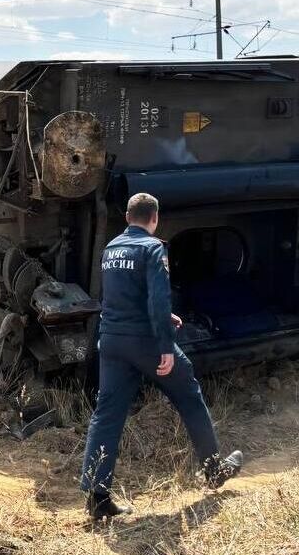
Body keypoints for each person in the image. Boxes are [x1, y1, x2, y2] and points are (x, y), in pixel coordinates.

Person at [81, 193, 243, 520]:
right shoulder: (153, 248)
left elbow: (116, 297)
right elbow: (157, 297)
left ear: (128, 218)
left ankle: (97, 498)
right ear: (154, 219)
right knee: (189, 395)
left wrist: (164, 317)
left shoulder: (111, 249)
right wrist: (166, 345)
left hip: (112, 340)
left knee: (107, 415)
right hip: (145, 342)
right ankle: (214, 469)